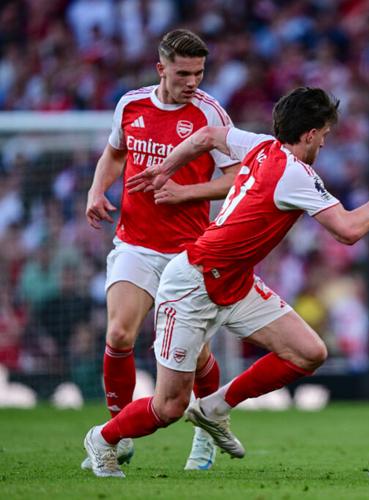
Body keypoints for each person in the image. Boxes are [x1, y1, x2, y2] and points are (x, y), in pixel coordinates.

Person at [82, 87, 369, 478]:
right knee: (169, 406)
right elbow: (348, 230)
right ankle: (102, 438)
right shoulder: (296, 174)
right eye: (323, 134)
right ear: (309, 135)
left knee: (308, 352)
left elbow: (206, 137)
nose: (324, 142)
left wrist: (166, 167)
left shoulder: (260, 144)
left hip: (235, 281)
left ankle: (215, 407)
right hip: (193, 283)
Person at [83, 29, 240, 472]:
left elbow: (237, 178)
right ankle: (116, 435)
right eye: (183, 73)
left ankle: (206, 431)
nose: (192, 81)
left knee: (198, 353)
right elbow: (115, 154)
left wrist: (186, 194)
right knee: (119, 334)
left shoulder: (210, 113)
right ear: (161, 69)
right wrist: (96, 190)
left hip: (188, 252)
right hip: (135, 243)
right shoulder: (131, 104)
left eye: (199, 73)